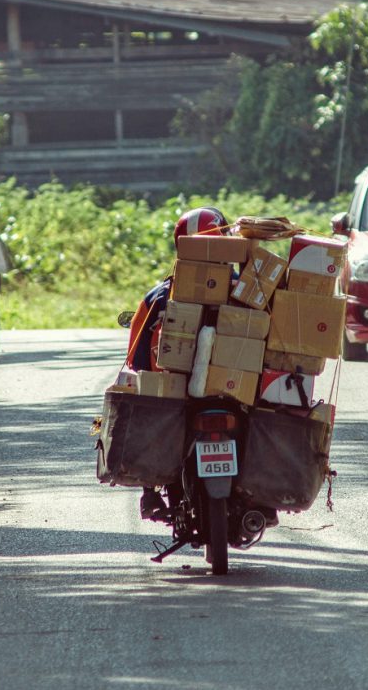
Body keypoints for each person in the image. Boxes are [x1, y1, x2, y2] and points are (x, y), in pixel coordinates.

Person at [126, 206, 231, 519]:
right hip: (232, 392)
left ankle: (149, 493)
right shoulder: (248, 291)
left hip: (174, 394)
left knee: (146, 413)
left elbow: (137, 356)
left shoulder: (158, 296)